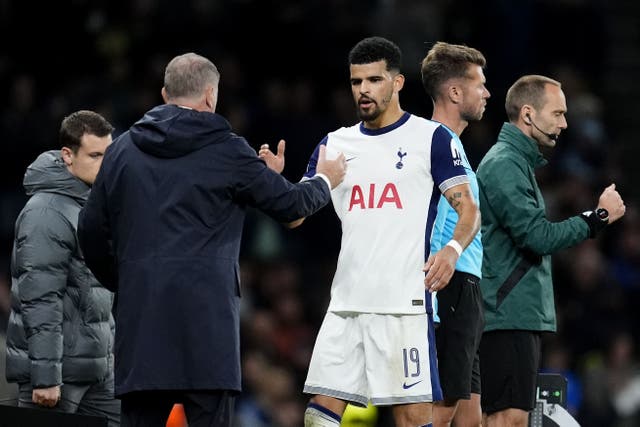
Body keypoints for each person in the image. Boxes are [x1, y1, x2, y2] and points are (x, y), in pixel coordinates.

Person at [76, 52, 346, 427]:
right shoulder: (228, 150)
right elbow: (292, 205)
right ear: (210, 97)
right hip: (207, 331)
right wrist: (324, 178)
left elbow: (89, 231)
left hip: (142, 328)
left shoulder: (121, 151)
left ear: (164, 93)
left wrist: (126, 280)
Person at [261, 36, 480, 427]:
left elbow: (469, 210)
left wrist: (451, 250)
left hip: (403, 305)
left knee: (414, 419)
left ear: (397, 83)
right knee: (318, 415)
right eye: (356, 82)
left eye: (374, 80)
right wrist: (274, 185)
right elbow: (295, 215)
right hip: (347, 302)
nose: (363, 90)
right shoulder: (335, 144)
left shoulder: (430, 139)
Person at [476, 74, 626, 427]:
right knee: (507, 417)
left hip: (513, 310)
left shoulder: (516, 162)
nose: (565, 123)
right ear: (528, 114)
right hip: (506, 311)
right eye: (557, 113)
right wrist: (598, 217)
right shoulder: (504, 163)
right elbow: (537, 236)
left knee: (503, 415)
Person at [5, 110, 120, 425]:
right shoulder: (46, 211)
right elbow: (40, 297)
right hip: (56, 376)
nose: (105, 164)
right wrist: (45, 376)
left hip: (97, 371)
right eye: (95, 155)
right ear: (68, 155)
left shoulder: (89, 204)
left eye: (108, 154)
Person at [420, 41, 489, 427]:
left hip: (467, 285)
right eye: (480, 84)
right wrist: (444, 257)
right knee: (441, 410)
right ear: (455, 91)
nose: (486, 93)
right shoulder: (433, 142)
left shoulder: (453, 146)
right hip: (449, 283)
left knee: (469, 416)